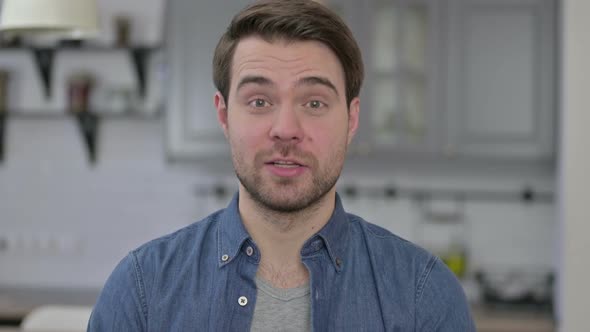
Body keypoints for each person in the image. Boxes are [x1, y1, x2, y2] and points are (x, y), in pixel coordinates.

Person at [88, 0, 475, 330]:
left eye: (314, 103)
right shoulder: (141, 289)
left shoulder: (424, 295)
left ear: (352, 120)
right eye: (259, 101)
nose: (286, 130)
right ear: (223, 117)